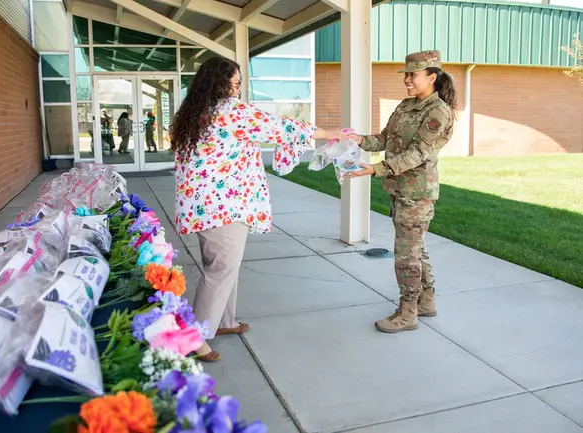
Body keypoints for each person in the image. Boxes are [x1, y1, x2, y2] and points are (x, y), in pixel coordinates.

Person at [170, 56, 341, 361]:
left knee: (223, 268)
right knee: (220, 270)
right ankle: (192, 338)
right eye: (233, 81)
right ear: (219, 83)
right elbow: (279, 127)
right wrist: (329, 133)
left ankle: (222, 321)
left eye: (238, 81)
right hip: (224, 207)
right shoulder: (230, 112)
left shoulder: (199, 113)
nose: (237, 87)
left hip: (204, 206)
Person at [345, 50, 457, 333]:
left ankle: (407, 312)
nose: (407, 80)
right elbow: (384, 138)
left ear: (431, 77)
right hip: (400, 190)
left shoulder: (438, 111)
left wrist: (375, 169)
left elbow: (419, 153)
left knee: (406, 255)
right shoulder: (406, 106)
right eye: (406, 74)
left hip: (417, 193)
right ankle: (426, 301)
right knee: (417, 249)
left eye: (412, 74)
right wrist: (359, 140)